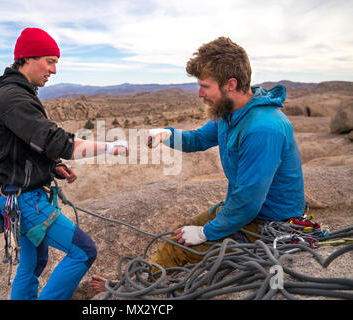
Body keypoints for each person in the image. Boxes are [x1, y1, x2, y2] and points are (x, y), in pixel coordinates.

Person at [90, 36, 305, 293]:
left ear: (230, 84)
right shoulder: (231, 113)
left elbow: (248, 202)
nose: (200, 93)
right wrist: (168, 134)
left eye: (205, 86)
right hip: (248, 212)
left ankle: (132, 291)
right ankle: (140, 282)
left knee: (180, 247)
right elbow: (200, 138)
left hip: (267, 223)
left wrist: (206, 232)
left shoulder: (263, 128)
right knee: (179, 236)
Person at [0, 27, 128, 300]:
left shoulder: (19, 93)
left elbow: (22, 148)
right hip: (25, 202)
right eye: (50, 61)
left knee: (34, 263)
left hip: (18, 196)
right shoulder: (14, 98)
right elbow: (57, 142)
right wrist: (110, 147)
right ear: (28, 58)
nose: (54, 70)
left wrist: (51, 167)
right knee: (84, 251)